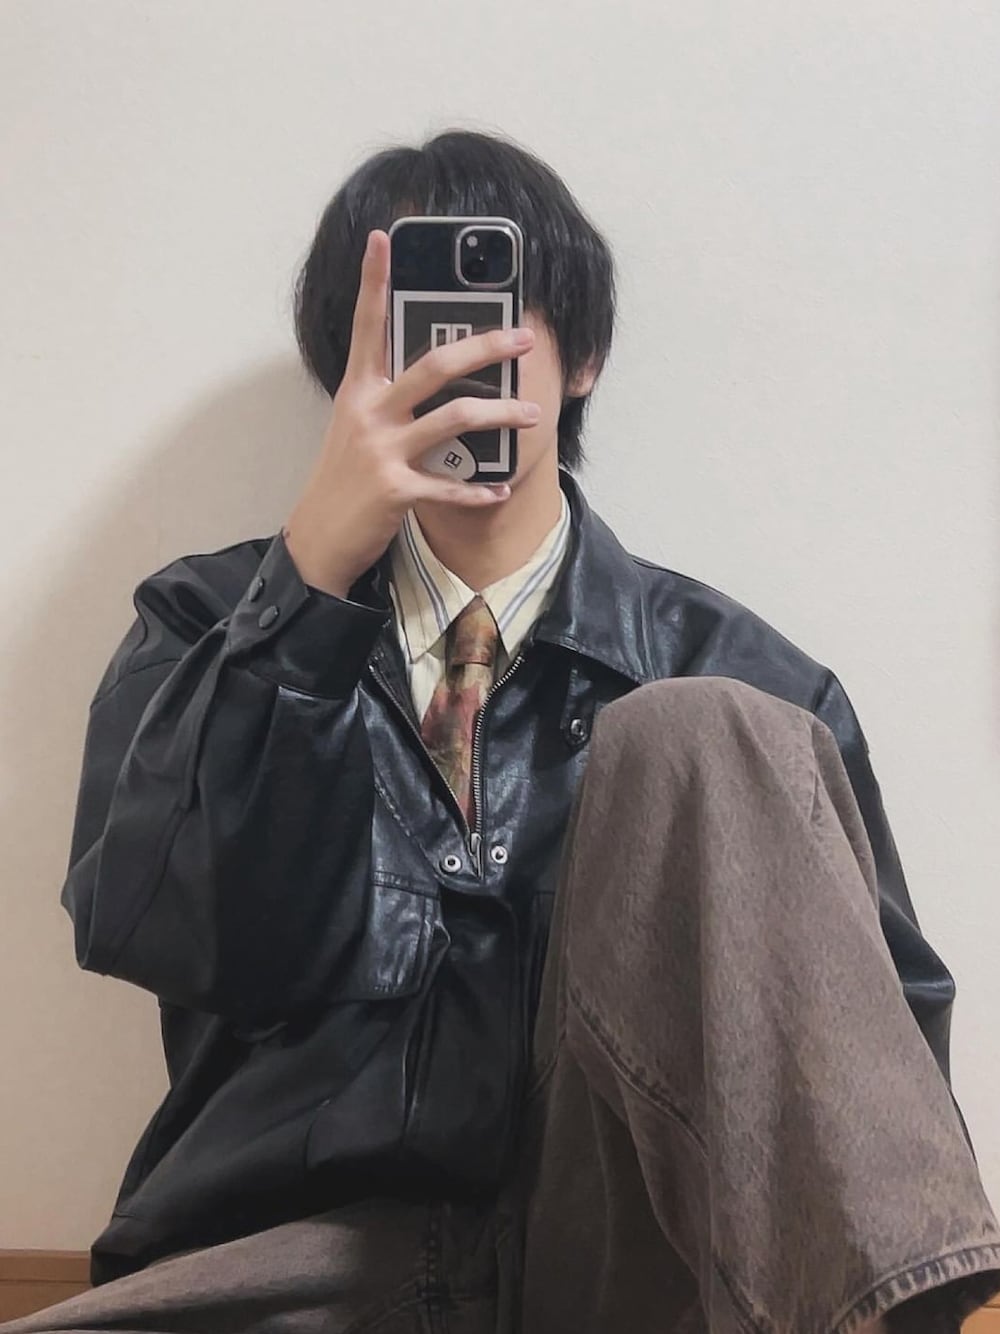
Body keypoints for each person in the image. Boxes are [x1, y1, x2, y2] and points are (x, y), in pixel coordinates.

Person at [6, 130, 999, 1334]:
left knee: (702, 731)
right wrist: (306, 590)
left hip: (637, 1263)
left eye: (492, 318)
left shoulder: (746, 682)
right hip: (298, 1255)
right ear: (346, 370)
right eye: (413, 330)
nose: (458, 363)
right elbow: (149, 924)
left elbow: (865, 1069)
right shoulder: (210, 623)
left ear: (582, 355)